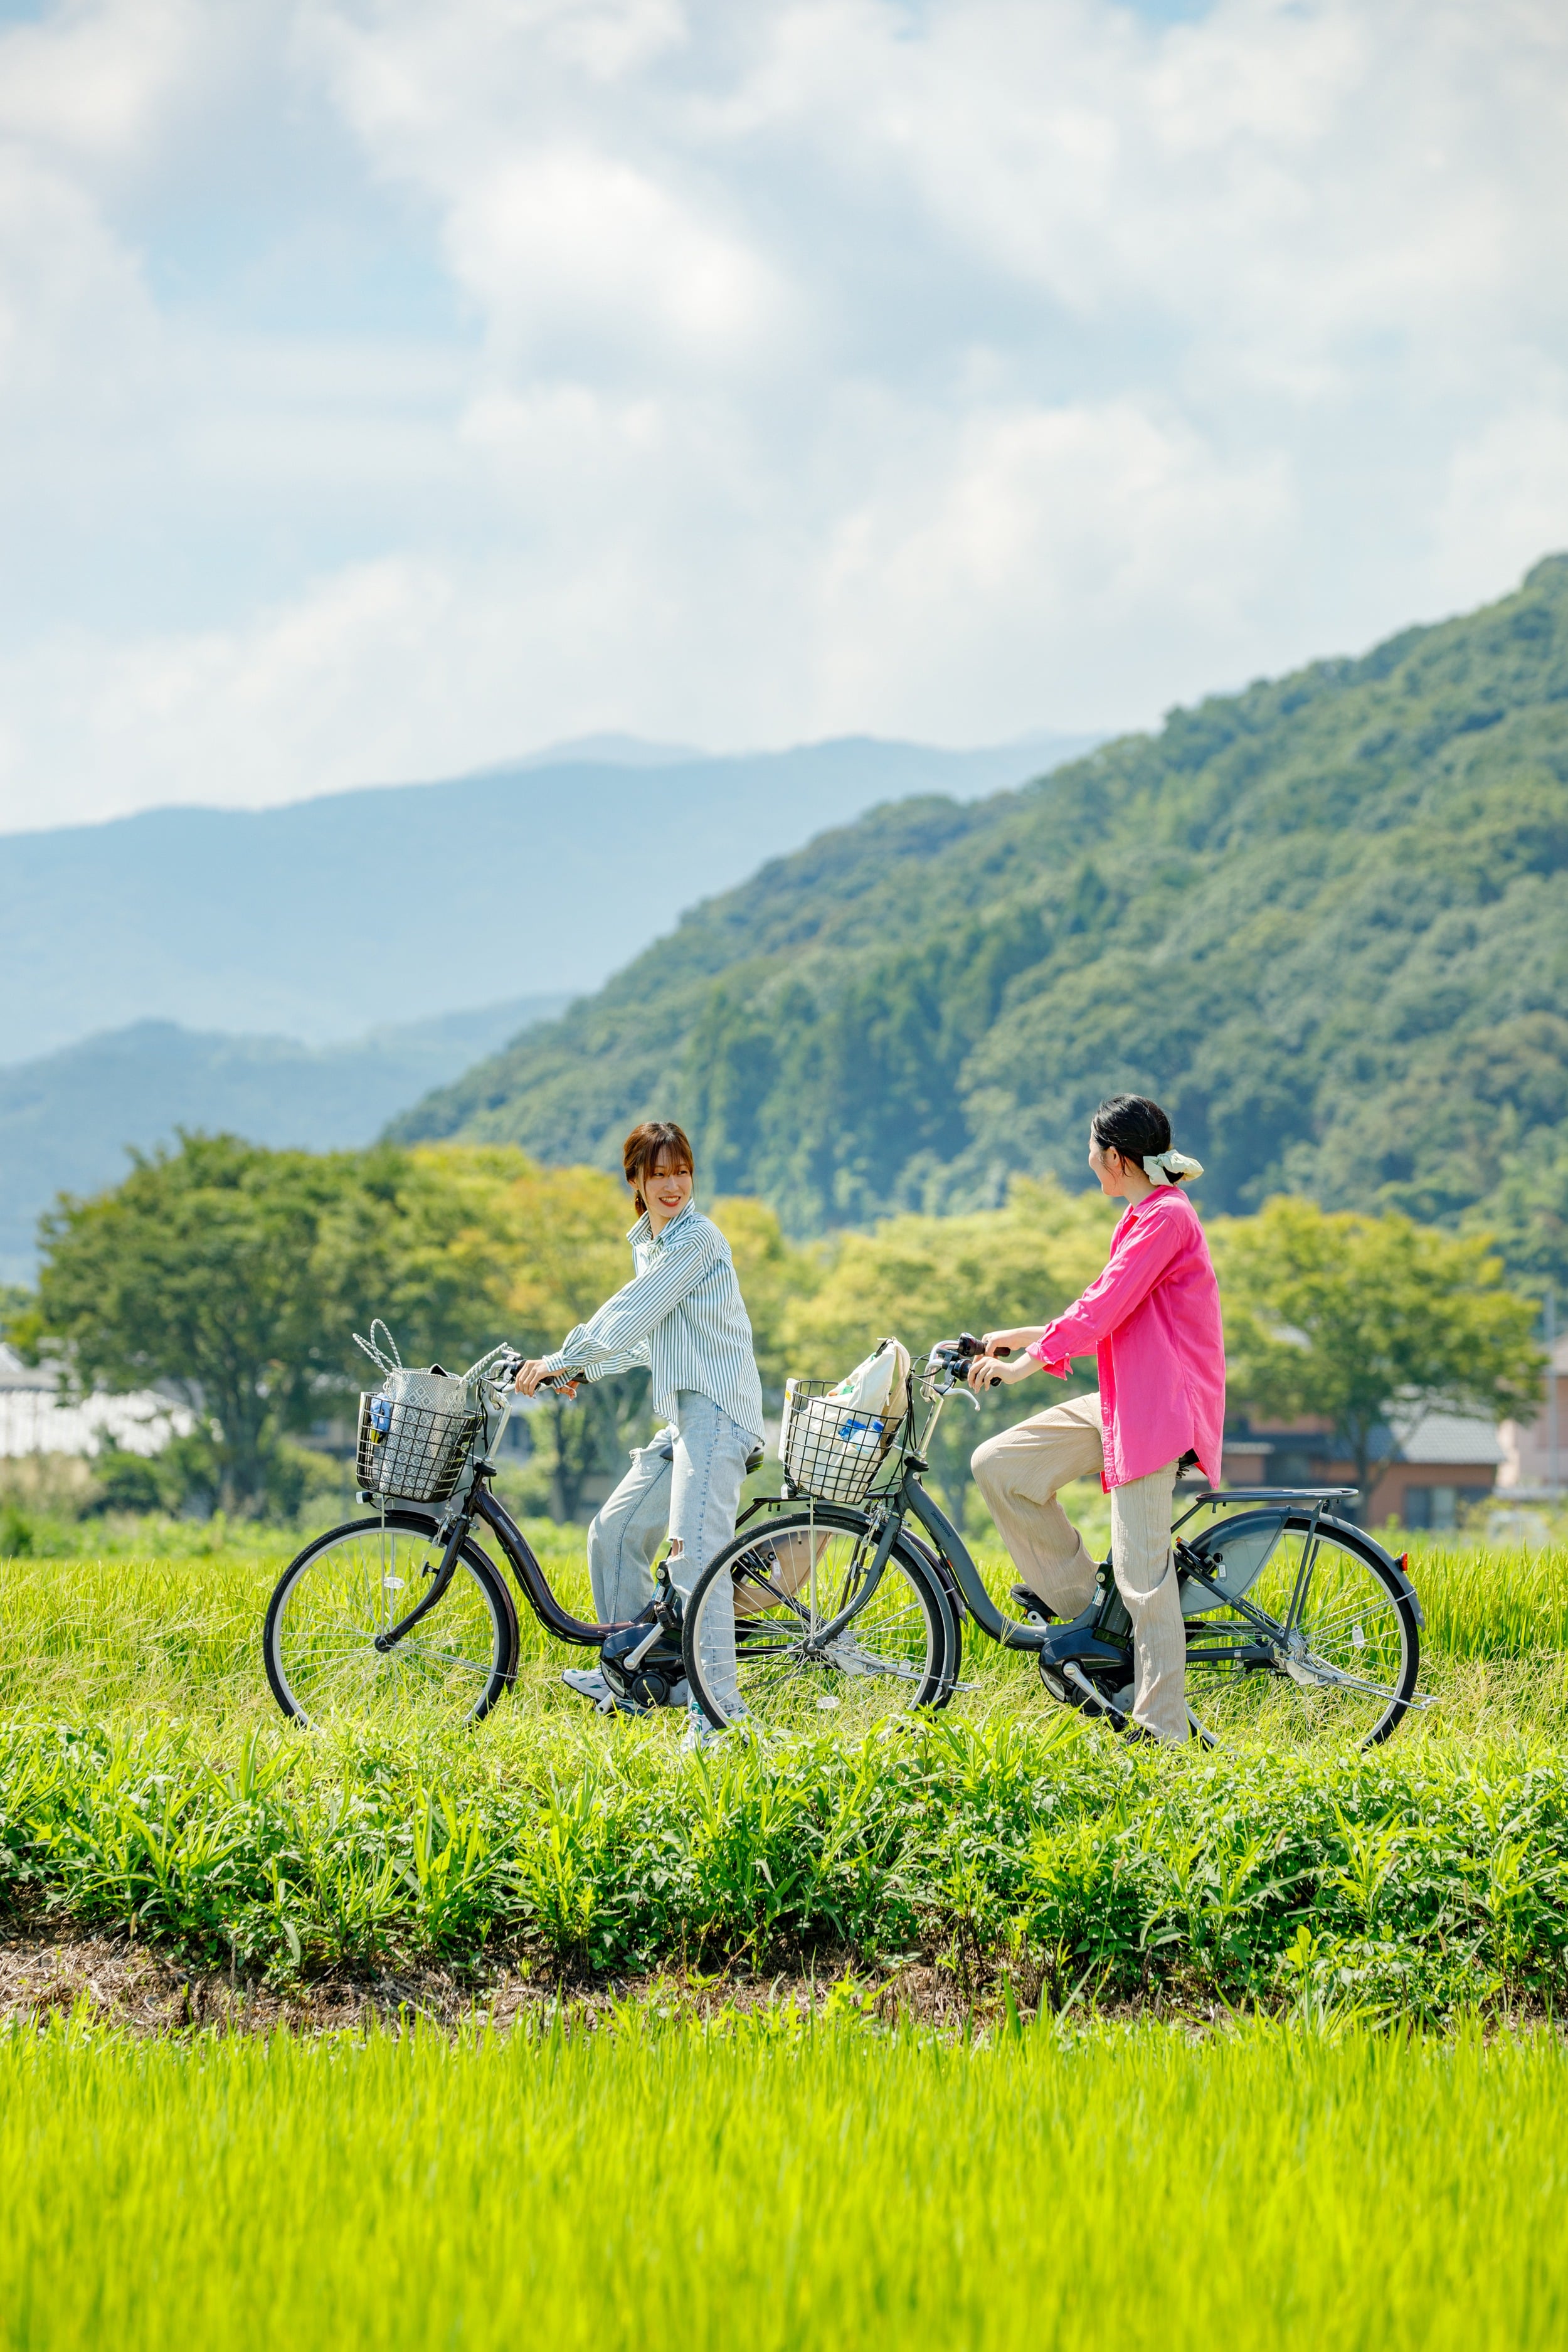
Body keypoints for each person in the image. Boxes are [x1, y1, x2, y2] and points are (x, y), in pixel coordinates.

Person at [967, 1094, 1224, 1744]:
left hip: (1159, 1409)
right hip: (1126, 1397)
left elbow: (1105, 1306)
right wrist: (1020, 1337)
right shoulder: (1145, 1214)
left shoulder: (1165, 1218)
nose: (1086, 1161)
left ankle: (1162, 1729)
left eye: (1090, 1150)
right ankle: (1092, 1623)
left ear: (1115, 1157)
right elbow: (1106, 1303)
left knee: (1143, 1577)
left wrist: (1025, 1364)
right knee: (1001, 1466)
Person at [511, 1120, 765, 1737]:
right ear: (635, 1180)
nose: (673, 1185)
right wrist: (581, 1373)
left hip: (717, 1415)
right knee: (613, 1530)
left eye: (682, 1172)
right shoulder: (651, 1243)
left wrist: (562, 1359)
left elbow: (630, 1314)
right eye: (659, 1175)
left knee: (693, 1563)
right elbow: (641, 1340)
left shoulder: (696, 1239)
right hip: (685, 1417)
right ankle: (629, 1671)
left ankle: (718, 1715)